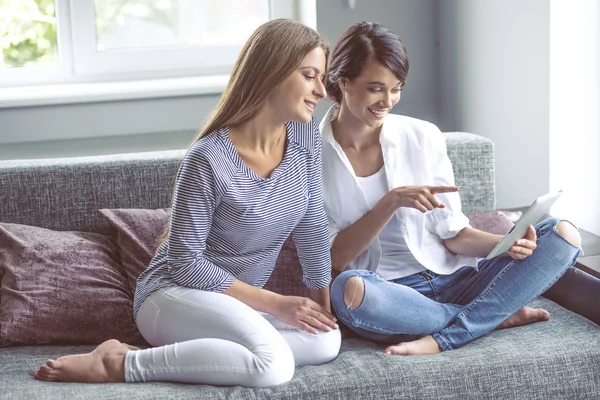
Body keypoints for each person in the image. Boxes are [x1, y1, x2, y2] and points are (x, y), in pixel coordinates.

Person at [34, 19, 341, 386]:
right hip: (174, 296)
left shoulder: (304, 136)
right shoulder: (208, 158)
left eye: (322, 77)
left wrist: (319, 305)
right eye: (310, 76)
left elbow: (312, 223)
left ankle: (221, 353)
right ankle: (118, 363)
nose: (321, 90)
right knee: (272, 366)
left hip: (238, 307)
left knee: (326, 341)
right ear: (272, 72)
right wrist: (277, 303)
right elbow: (185, 264)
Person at [321, 21, 595, 356]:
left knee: (563, 233)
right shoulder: (312, 157)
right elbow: (335, 257)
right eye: (375, 88)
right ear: (344, 81)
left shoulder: (422, 136)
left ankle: (446, 334)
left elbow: (454, 235)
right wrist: (390, 202)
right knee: (347, 292)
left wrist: (507, 246)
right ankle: (491, 316)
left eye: (396, 88)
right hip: (390, 295)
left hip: (456, 280)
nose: (387, 101)